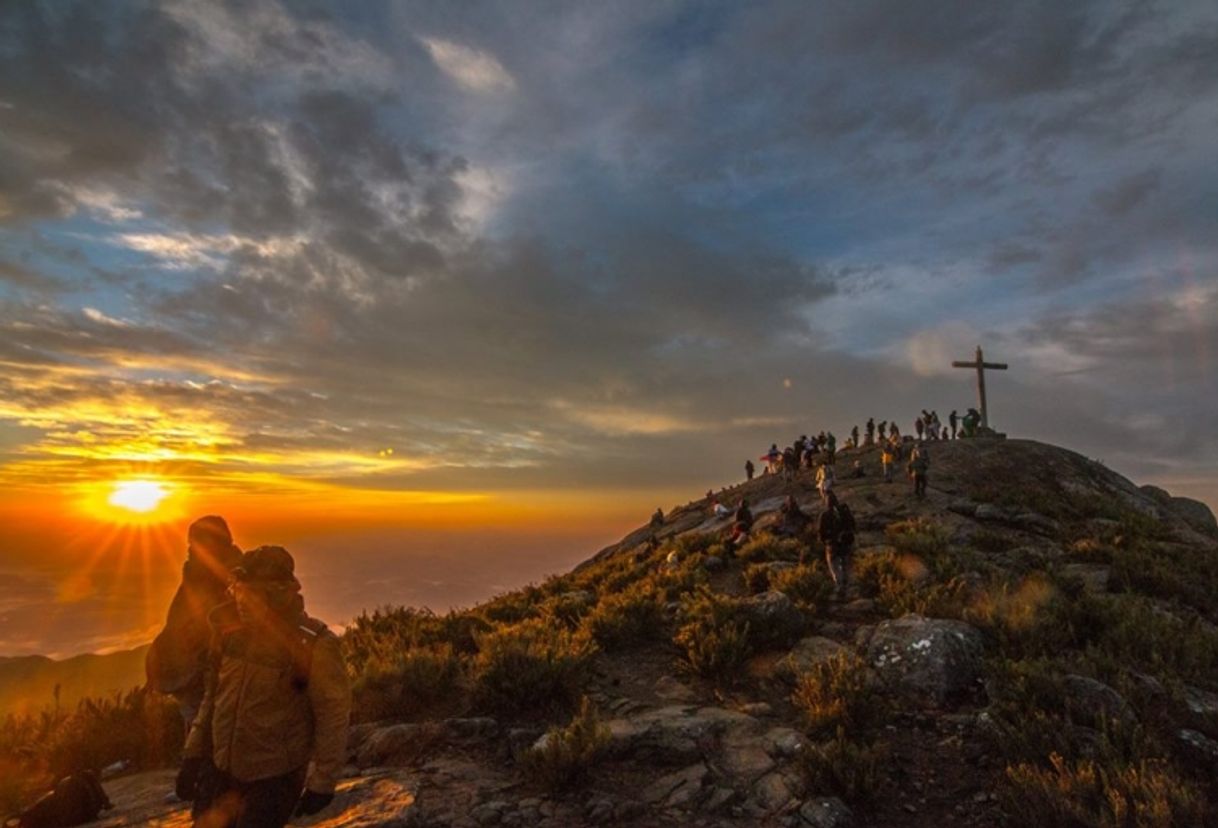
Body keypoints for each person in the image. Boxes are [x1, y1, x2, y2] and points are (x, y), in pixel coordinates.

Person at [176, 546, 351, 828]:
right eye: (238, 591)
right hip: (221, 771)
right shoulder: (229, 634)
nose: (241, 601)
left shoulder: (312, 644)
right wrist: (193, 754)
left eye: (252, 594)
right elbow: (213, 697)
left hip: (274, 780)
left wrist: (323, 782)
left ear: (279, 594)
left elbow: (332, 714)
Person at [147, 516, 244, 730]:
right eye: (191, 543)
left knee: (207, 729)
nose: (191, 549)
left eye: (196, 543)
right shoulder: (198, 575)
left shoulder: (232, 579)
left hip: (211, 674)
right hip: (192, 673)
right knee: (198, 728)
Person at [817, 493, 856, 597]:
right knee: (845, 566)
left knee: (834, 567)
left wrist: (825, 541)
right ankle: (845, 586)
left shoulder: (825, 515)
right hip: (846, 543)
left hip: (832, 545)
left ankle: (839, 585)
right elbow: (853, 524)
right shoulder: (844, 512)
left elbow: (821, 532)